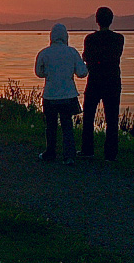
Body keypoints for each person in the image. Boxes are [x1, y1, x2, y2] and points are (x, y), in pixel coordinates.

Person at [34, 23, 88, 165]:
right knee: (67, 126)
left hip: (50, 95)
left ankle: (50, 153)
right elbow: (82, 73)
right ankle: (69, 156)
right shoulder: (72, 52)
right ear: (66, 36)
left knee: (51, 126)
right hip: (68, 96)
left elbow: (39, 73)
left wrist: (48, 73)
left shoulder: (44, 53)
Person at [81, 7, 125, 161]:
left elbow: (86, 58)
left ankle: (87, 149)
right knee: (112, 118)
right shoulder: (119, 39)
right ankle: (111, 153)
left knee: (88, 116)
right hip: (112, 81)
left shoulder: (90, 39)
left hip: (95, 80)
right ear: (111, 20)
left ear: (97, 20)